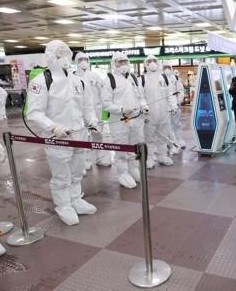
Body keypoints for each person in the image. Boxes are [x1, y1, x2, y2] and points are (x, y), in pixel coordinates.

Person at [27, 40, 99, 226]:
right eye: (60, 54)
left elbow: (87, 106)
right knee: (61, 175)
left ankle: (76, 199)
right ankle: (63, 205)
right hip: (57, 138)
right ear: (50, 56)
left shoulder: (78, 81)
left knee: (77, 171)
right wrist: (52, 127)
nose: (64, 58)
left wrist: (91, 120)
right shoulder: (42, 81)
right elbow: (33, 113)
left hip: (79, 135)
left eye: (66, 53)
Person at [101, 52, 148, 189]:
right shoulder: (109, 80)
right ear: (114, 64)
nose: (123, 65)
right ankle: (123, 173)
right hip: (119, 120)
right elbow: (106, 103)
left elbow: (140, 95)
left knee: (135, 145)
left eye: (125, 62)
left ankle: (133, 168)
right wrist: (121, 109)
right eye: (119, 62)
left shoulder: (133, 77)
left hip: (136, 119)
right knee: (121, 145)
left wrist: (144, 105)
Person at [74, 52, 112, 168]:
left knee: (98, 135)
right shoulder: (73, 77)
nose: (83, 61)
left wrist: (105, 107)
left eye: (85, 59)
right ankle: (85, 160)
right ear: (76, 61)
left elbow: (103, 93)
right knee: (83, 136)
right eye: (80, 59)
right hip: (79, 112)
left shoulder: (95, 76)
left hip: (96, 111)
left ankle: (101, 157)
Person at [141, 55, 176, 168]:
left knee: (163, 135)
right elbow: (139, 96)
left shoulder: (164, 78)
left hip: (164, 112)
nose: (152, 63)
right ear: (145, 64)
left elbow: (170, 94)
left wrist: (173, 106)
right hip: (149, 114)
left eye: (154, 61)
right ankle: (150, 158)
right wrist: (144, 107)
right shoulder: (142, 79)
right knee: (149, 137)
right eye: (149, 61)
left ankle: (162, 155)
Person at [168, 67, 186, 149]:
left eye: (168, 67)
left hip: (176, 106)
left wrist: (178, 102)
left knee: (176, 124)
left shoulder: (175, 78)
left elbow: (181, 91)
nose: (166, 69)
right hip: (165, 107)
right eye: (165, 67)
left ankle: (179, 139)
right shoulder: (160, 78)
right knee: (166, 125)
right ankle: (170, 142)